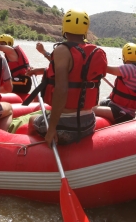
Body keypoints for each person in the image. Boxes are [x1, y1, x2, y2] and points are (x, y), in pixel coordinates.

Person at [30, 9, 108, 145]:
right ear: (85, 30)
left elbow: (61, 89)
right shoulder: (96, 52)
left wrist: (52, 128)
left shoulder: (62, 50)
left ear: (64, 28)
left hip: (66, 126)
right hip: (89, 122)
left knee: (31, 120)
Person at [93, 43, 136, 124]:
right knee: (103, 101)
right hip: (127, 111)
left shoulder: (129, 68)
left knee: (90, 109)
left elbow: (108, 69)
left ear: (124, 56)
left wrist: (92, 65)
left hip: (121, 112)